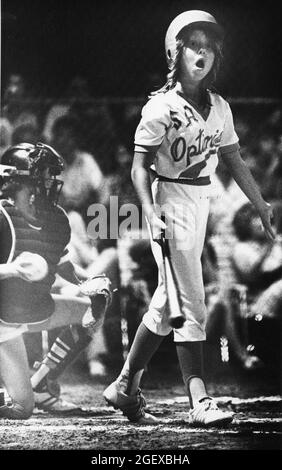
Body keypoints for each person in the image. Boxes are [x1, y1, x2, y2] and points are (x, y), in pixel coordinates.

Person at [103, 10, 275, 426]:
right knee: (189, 300)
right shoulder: (160, 107)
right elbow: (138, 167)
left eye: (209, 46)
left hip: (201, 203)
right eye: (192, 45)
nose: (202, 52)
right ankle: (198, 399)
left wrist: (260, 203)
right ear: (174, 52)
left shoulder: (219, 107)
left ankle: (125, 386)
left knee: (166, 303)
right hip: (171, 201)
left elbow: (233, 159)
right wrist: (149, 211)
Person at [0, 142, 112, 418]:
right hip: (1, 321)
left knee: (90, 308)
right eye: (43, 174)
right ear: (18, 180)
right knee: (21, 409)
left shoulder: (56, 219)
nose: (51, 181)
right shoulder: (2, 217)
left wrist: (85, 284)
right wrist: (11, 270)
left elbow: (59, 262)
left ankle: (42, 384)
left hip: (30, 308)